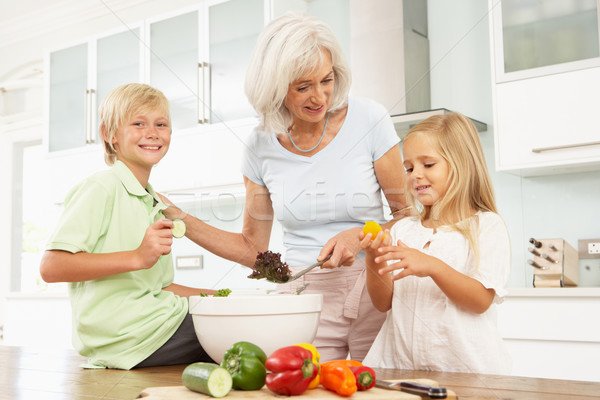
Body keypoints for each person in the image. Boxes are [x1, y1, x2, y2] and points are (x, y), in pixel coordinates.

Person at [160, 13, 410, 362]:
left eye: (327, 80)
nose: (320, 96)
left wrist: (359, 235)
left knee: (380, 389)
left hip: (374, 285)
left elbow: (409, 215)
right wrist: (180, 218)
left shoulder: (370, 119)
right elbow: (252, 248)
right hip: (304, 294)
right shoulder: (260, 145)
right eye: (303, 86)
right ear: (275, 88)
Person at [39, 83, 215, 370]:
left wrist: (217, 297)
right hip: (133, 335)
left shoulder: (151, 201)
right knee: (244, 331)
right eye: (138, 123)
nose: (152, 132)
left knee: (237, 317)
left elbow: (160, 286)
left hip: (156, 321)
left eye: (161, 124)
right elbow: (51, 267)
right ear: (110, 135)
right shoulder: (102, 187)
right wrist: (136, 257)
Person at [359, 112, 511, 374]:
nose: (415, 175)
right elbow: (383, 303)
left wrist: (432, 266)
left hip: (467, 373)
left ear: (462, 165)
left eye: (428, 165)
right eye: (409, 168)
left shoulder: (486, 226)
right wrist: (374, 259)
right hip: (401, 370)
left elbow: (480, 301)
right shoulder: (403, 229)